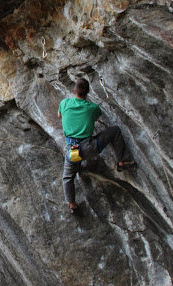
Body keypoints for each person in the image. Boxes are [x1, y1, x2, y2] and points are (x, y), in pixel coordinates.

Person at [58, 78, 136, 212]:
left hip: (72, 150)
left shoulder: (64, 103)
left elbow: (59, 115)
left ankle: (71, 204)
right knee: (115, 131)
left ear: (74, 90)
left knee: (68, 176)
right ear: (88, 92)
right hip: (90, 147)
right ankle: (122, 161)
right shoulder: (92, 107)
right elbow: (95, 117)